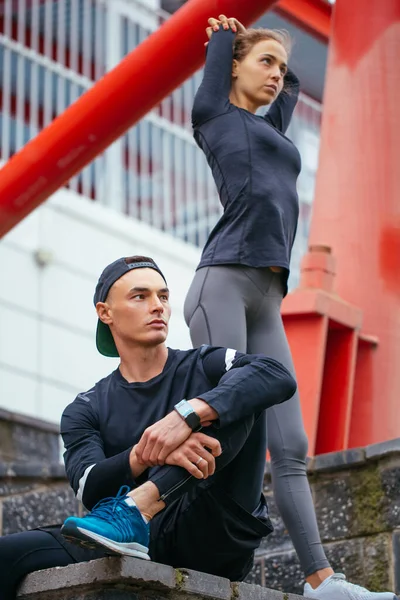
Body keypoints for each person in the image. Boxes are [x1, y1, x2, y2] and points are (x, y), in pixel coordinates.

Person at [183, 14, 397, 600]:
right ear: (231, 69)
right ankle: (177, 544)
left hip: (268, 298)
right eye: (264, 64)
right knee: (220, 428)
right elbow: (215, 77)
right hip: (223, 283)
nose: (277, 75)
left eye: (281, 66)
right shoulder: (215, 117)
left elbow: (294, 85)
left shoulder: (273, 130)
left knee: (292, 445)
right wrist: (225, 39)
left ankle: (321, 582)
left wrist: (276, 53)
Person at [0, 255, 298, 600]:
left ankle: (139, 505)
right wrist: (145, 454)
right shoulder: (86, 407)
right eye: (140, 296)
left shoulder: (206, 364)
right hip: (131, 539)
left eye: (163, 296)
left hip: (215, 527)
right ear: (105, 312)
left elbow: (275, 375)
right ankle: (130, 517)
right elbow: (90, 485)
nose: (157, 306)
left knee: (242, 392)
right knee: (9, 554)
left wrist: (189, 414)